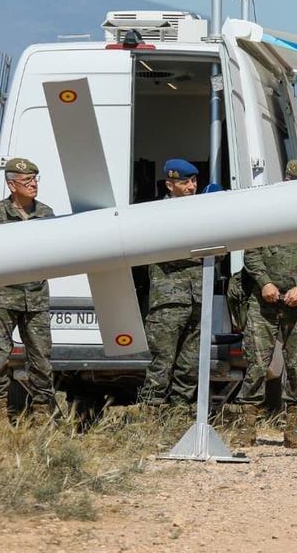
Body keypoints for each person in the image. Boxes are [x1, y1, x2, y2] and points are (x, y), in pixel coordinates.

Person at [235, 160, 297, 448]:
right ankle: (247, 427)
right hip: (263, 302)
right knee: (257, 364)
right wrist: (264, 282)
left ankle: (293, 430)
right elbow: (250, 253)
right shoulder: (265, 213)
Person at [0, 157, 56, 414]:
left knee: (41, 359)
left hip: (35, 298)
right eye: (27, 181)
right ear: (12, 185)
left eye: (35, 179)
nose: (33, 184)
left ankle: (42, 412)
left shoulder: (46, 214)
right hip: (2, 298)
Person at [137, 158, 204, 407]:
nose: (191, 187)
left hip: (198, 298)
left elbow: (219, 252)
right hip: (168, 301)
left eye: (194, 181)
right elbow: (161, 251)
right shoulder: (156, 215)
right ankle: (151, 416)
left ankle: (179, 415)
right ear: (169, 185)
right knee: (161, 364)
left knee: (190, 363)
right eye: (185, 182)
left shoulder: (205, 213)